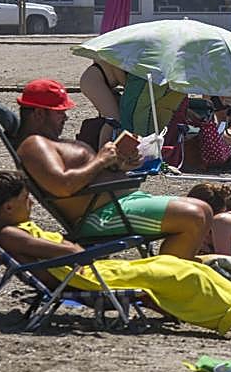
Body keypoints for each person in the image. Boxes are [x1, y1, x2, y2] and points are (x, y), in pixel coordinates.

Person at [0, 171, 231, 337]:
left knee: (192, 269)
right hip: (91, 277)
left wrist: (72, 248)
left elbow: (66, 250)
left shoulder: (13, 230)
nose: (31, 202)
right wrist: (72, 247)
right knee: (187, 276)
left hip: (92, 272)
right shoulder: (10, 235)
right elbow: (67, 252)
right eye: (25, 199)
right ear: (7, 207)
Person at [14, 79, 212, 258]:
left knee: (204, 211)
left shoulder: (49, 142)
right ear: (39, 114)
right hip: (99, 217)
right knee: (195, 216)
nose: (65, 117)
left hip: (118, 204)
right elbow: (63, 185)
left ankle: (172, 277)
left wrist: (120, 165)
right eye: (59, 113)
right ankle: (168, 283)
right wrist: (101, 160)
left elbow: (85, 176)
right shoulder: (34, 145)